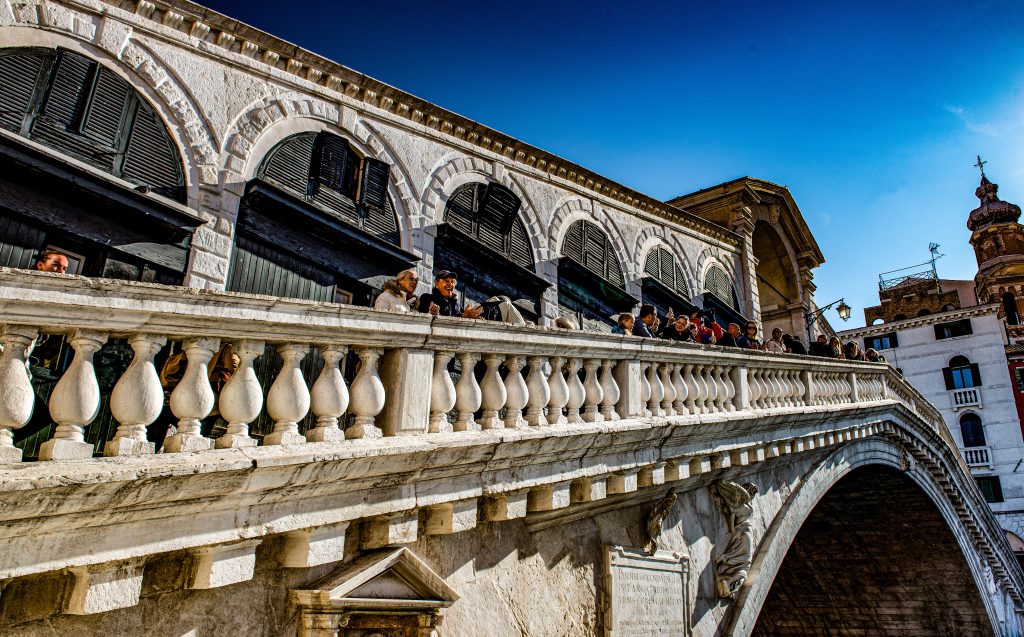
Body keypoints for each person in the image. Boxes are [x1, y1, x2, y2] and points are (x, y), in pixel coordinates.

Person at [417, 271, 483, 318]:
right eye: (446, 281)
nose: (450, 284)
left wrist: (472, 317)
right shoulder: (427, 298)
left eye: (452, 282)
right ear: (437, 284)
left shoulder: (458, 307)